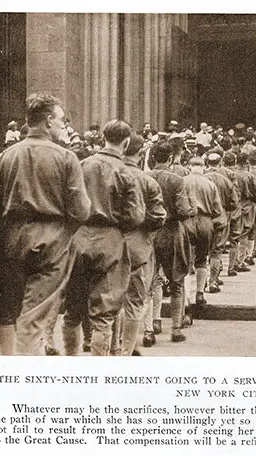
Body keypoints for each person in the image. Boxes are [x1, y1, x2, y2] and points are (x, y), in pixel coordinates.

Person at [0, 93, 91, 355]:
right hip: (52, 241)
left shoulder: (4, 157)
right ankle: (24, 377)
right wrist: (65, 232)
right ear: (47, 121)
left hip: (11, 239)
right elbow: (81, 209)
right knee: (32, 318)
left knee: (8, 311)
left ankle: (8, 369)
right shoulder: (66, 159)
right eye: (60, 120)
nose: (62, 126)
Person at [62, 120, 145, 356]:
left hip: (78, 239)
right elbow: (136, 216)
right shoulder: (126, 172)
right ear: (126, 142)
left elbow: (67, 204)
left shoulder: (81, 165)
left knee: (72, 311)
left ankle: (70, 365)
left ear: (103, 138)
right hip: (110, 240)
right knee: (104, 315)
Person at [121, 133, 166, 354]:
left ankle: (111, 347)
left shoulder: (105, 172)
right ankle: (127, 350)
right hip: (138, 246)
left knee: (109, 300)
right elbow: (158, 217)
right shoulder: (147, 181)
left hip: (105, 243)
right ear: (141, 155)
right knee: (135, 299)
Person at [148, 142, 193, 342]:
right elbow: (184, 211)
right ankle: (175, 328)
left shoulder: (144, 177)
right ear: (170, 158)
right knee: (177, 282)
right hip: (172, 233)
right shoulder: (176, 180)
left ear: (153, 158)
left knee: (150, 283)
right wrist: (193, 210)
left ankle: (150, 328)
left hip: (149, 234)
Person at [183, 157, 223, 317]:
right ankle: (199, 292)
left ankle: (185, 297)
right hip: (206, 222)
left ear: (189, 166)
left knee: (185, 261)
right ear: (204, 167)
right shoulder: (210, 184)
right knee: (202, 258)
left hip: (187, 221)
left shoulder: (183, 181)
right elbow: (217, 209)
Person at [204, 153, 238, 293]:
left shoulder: (202, 179)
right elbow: (234, 202)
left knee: (203, 252)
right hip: (221, 216)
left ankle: (204, 281)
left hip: (204, 217)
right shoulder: (225, 180)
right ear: (220, 162)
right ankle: (213, 281)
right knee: (216, 251)